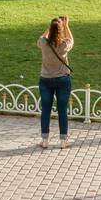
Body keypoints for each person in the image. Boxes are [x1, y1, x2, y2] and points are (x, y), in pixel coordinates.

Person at [36, 16, 74, 149]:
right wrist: (66, 25)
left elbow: (42, 37)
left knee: (45, 110)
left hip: (45, 80)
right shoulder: (64, 45)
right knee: (62, 110)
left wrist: (51, 26)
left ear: (50, 30)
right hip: (62, 79)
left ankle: (44, 140)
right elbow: (72, 40)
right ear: (60, 31)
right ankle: (63, 141)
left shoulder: (43, 43)